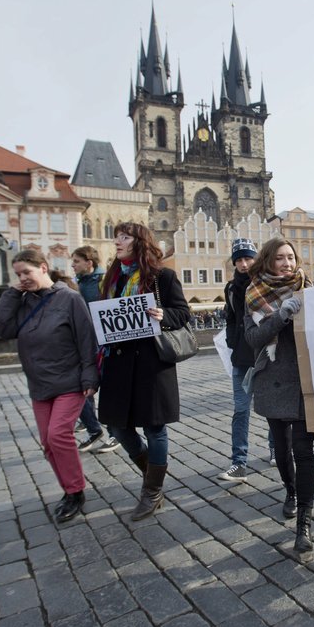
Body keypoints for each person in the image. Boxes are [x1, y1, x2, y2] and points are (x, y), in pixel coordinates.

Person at [98, 222, 191, 521]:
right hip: (117, 363)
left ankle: (151, 491)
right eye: (116, 238)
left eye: (124, 237)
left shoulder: (162, 276)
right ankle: (153, 475)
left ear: (140, 242)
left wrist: (164, 315)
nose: (118, 242)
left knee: (154, 427)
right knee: (118, 427)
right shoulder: (110, 278)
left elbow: (182, 313)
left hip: (151, 363)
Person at [0, 250, 99, 522]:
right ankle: (68, 488)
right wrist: (11, 294)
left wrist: (90, 375)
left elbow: (86, 339)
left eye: (26, 272)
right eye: (18, 274)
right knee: (48, 443)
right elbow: (5, 330)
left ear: (43, 268)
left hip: (69, 379)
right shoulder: (22, 301)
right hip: (39, 383)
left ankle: (76, 491)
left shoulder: (70, 299)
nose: (22, 278)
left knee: (58, 435)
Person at [244, 238, 314, 553]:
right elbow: (253, 338)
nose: (287, 263)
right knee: (282, 449)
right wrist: (281, 315)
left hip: (304, 378)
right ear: (268, 262)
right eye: (280, 258)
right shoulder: (254, 293)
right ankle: (290, 490)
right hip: (273, 378)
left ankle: (305, 523)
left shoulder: (309, 287)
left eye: (291, 257)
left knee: (304, 451)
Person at [218, 238, 270, 482]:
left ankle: (276, 450)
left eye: (248, 258)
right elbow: (230, 317)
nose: (244, 263)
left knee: (272, 408)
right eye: (239, 259)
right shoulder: (230, 288)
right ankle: (239, 462)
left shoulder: (266, 283)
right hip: (240, 356)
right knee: (240, 410)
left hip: (266, 354)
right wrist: (231, 340)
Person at [70, 246, 119, 454]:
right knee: (82, 386)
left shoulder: (102, 281)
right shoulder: (81, 281)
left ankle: (115, 433)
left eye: (76, 261)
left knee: (108, 390)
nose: (73, 265)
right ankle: (92, 426)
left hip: (102, 343)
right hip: (86, 341)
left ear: (89, 263)